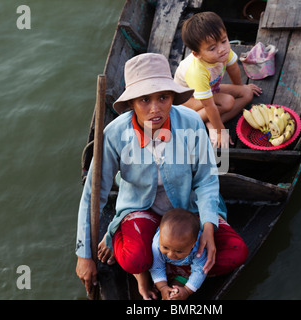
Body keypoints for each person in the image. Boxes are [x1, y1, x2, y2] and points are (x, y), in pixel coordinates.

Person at [75, 52, 248, 300]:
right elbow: (93, 195)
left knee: (235, 252)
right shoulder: (114, 134)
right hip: (141, 209)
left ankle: (170, 266)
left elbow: (207, 179)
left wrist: (208, 227)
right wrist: (84, 255)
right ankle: (148, 271)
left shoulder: (190, 122)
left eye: (163, 97)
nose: (155, 109)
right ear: (132, 102)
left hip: (186, 209)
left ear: (172, 97)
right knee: (134, 260)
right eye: (145, 99)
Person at [174, 11, 262, 148]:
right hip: (186, 100)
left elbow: (233, 68)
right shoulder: (197, 72)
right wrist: (221, 132)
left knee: (247, 93)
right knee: (227, 102)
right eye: (212, 48)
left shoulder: (223, 52)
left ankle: (212, 121)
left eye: (224, 41)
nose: (222, 49)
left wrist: (239, 88)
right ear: (197, 54)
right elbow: (209, 105)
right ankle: (211, 125)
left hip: (210, 89)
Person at [149, 208, 206, 300]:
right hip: (164, 265)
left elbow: (199, 270)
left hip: (186, 267)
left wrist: (187, 290)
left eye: (179, 251)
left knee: (177, 293)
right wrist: (163, 287)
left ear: (193, 244)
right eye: (166, 247)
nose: (171, 254)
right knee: (156, 282)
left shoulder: (199, 248)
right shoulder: (157, 244)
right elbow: (157, 267)